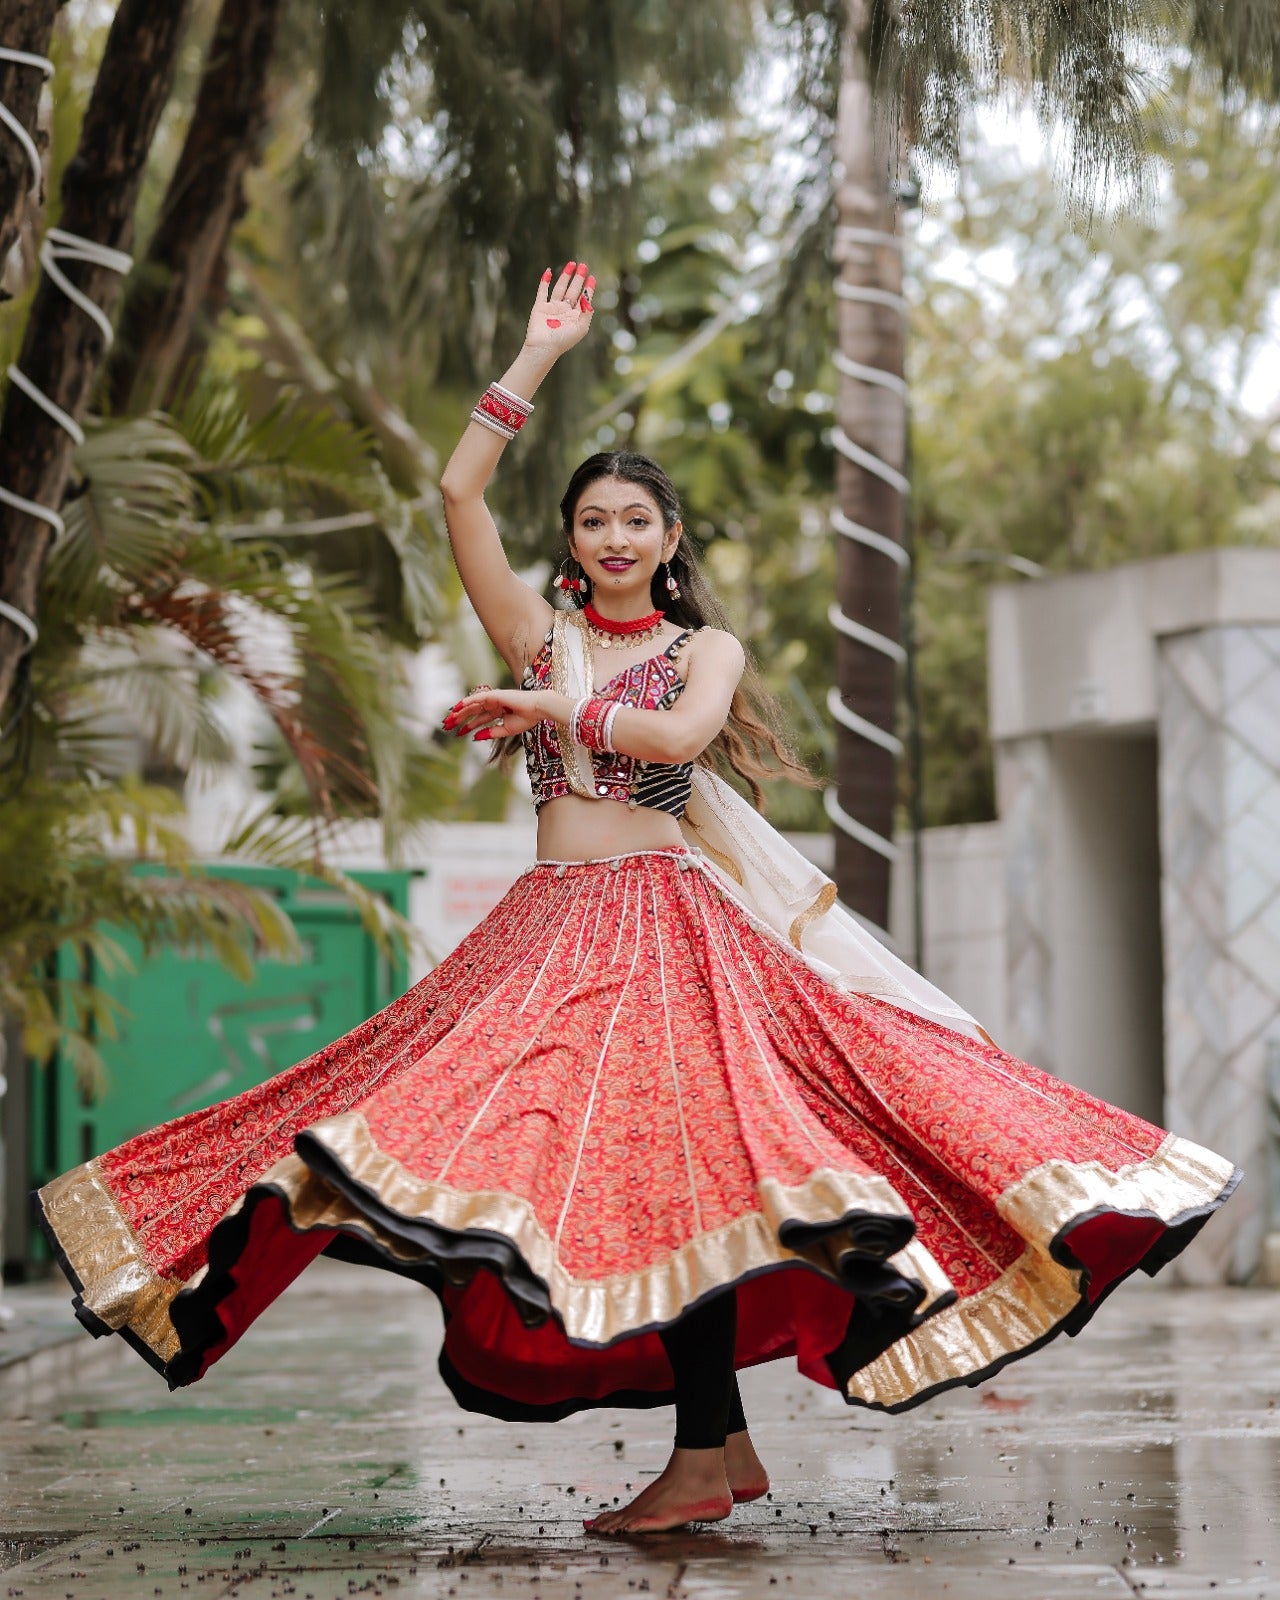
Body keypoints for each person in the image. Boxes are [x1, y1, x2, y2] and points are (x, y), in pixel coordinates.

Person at [35, 259, 1239, 1537]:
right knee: (383, 1120)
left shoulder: (696, 649)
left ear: (668, 545)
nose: (613, 536)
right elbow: (454, 492)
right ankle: (711, 1450)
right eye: (592, 518)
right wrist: (536, 356)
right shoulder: (534, 630)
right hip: (545, 932)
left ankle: (705, 1452)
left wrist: (559, 709)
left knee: (703, 1183)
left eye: (636, 520)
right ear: (571, 539)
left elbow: (675, 744)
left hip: (666, 930)